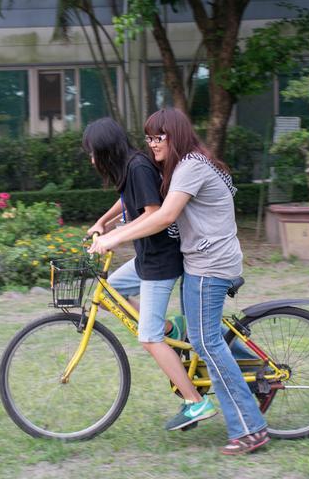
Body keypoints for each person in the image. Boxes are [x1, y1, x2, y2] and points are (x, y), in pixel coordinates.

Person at [89, 109, 269, 455]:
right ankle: (249, 372)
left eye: (159, 137)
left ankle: (250, 429)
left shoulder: (190, 168)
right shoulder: (184, 164)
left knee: (206, 343)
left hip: (209, 265)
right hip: (201, 261)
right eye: (148, 138)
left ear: (176, 135)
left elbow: (164, 216)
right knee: (204, 335)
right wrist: (109, 225)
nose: (152, 144)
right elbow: (141, 204)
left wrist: (113, 237)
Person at [82, 117, 218, 431]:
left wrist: (115, 237)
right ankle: (173, 328)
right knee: (111, 290)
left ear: (105, 149)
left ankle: (195, 402)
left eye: (93, 153)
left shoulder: (138, 167)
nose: (92, 160)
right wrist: (102, 222)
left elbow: (153, 213)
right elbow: (128, 200)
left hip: (160, 261)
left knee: (149, 337)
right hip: (146, 256)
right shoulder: (130, 168)